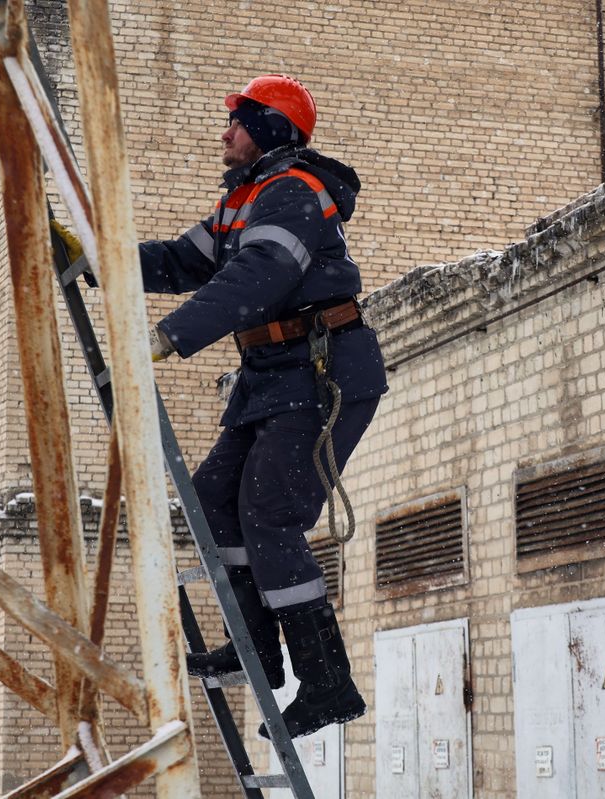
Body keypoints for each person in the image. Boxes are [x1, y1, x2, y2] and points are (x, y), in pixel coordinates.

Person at [137, 74, 387, 740]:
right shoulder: (243, 200)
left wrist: (171, 335)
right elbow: (178, 262)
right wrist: (96, 258)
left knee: (271, 513)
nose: (225, 133)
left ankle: (328, 683)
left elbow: (261, 275)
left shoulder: (293, 193)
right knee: (215, 498)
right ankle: (256, 649)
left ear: (270, 130)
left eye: (238, 122)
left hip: (321, 373)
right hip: (272, 378)